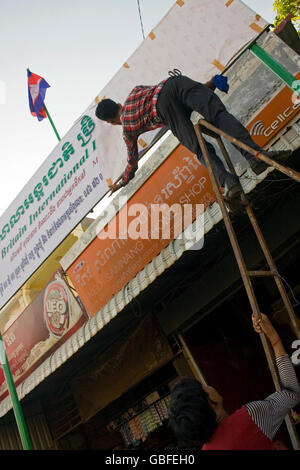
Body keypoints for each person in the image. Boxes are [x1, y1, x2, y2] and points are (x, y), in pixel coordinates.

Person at [95, 73, 292, 199]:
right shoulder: (134, 91)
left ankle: (229, 182)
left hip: (164, 110)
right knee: (218, 115)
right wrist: (211, 84)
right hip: (173, 84)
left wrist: (123, 182)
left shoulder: (127, 130)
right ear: (118, 104)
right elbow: (173, 92)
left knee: (199, 148)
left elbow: (132, 162)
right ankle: (255, 156)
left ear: (111, 121)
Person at [167, 313, 300, 450]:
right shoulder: (250, 417)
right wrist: (273, 337)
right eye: (203, 388)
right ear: (211, 400)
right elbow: (291, 393)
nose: (208, 387)